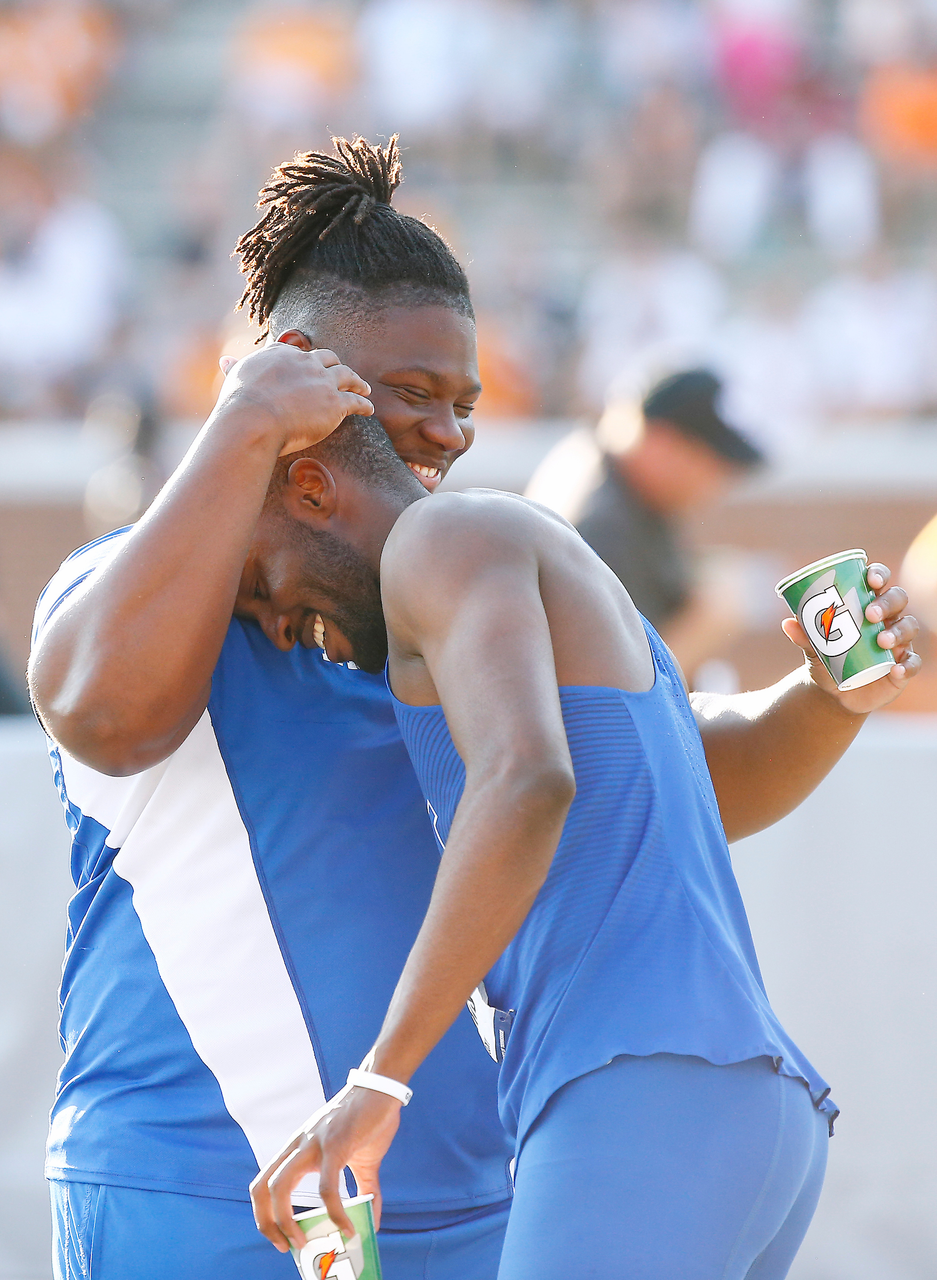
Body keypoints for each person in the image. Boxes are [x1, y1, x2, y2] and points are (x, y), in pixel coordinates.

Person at [29, 135, 918, 1279]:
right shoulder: (129, 582)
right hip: (202, 1196)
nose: (450, 433)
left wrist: (826, 697)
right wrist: (245, 414)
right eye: (413, 394)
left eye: (465, 403)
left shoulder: (441, 588)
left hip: (461, 1199)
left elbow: (649, 777)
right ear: (298, 377)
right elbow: (107, 713)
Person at [245, 416, 919, 1278]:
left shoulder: (441, 536)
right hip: (737, 1107)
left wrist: (379, 1081)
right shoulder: (531, 567)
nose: (271, 620)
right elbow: (700, 774)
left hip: (642, 1093)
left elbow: (526, 783)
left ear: (311, 487)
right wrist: (829, 699)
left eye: (257, 577)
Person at [525, 368, 763, 675]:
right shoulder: (604, 528)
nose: (716, 485)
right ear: (663, 442)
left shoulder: (604, 461)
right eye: (712, 462)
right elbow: (612, 690)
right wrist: (704, 625)